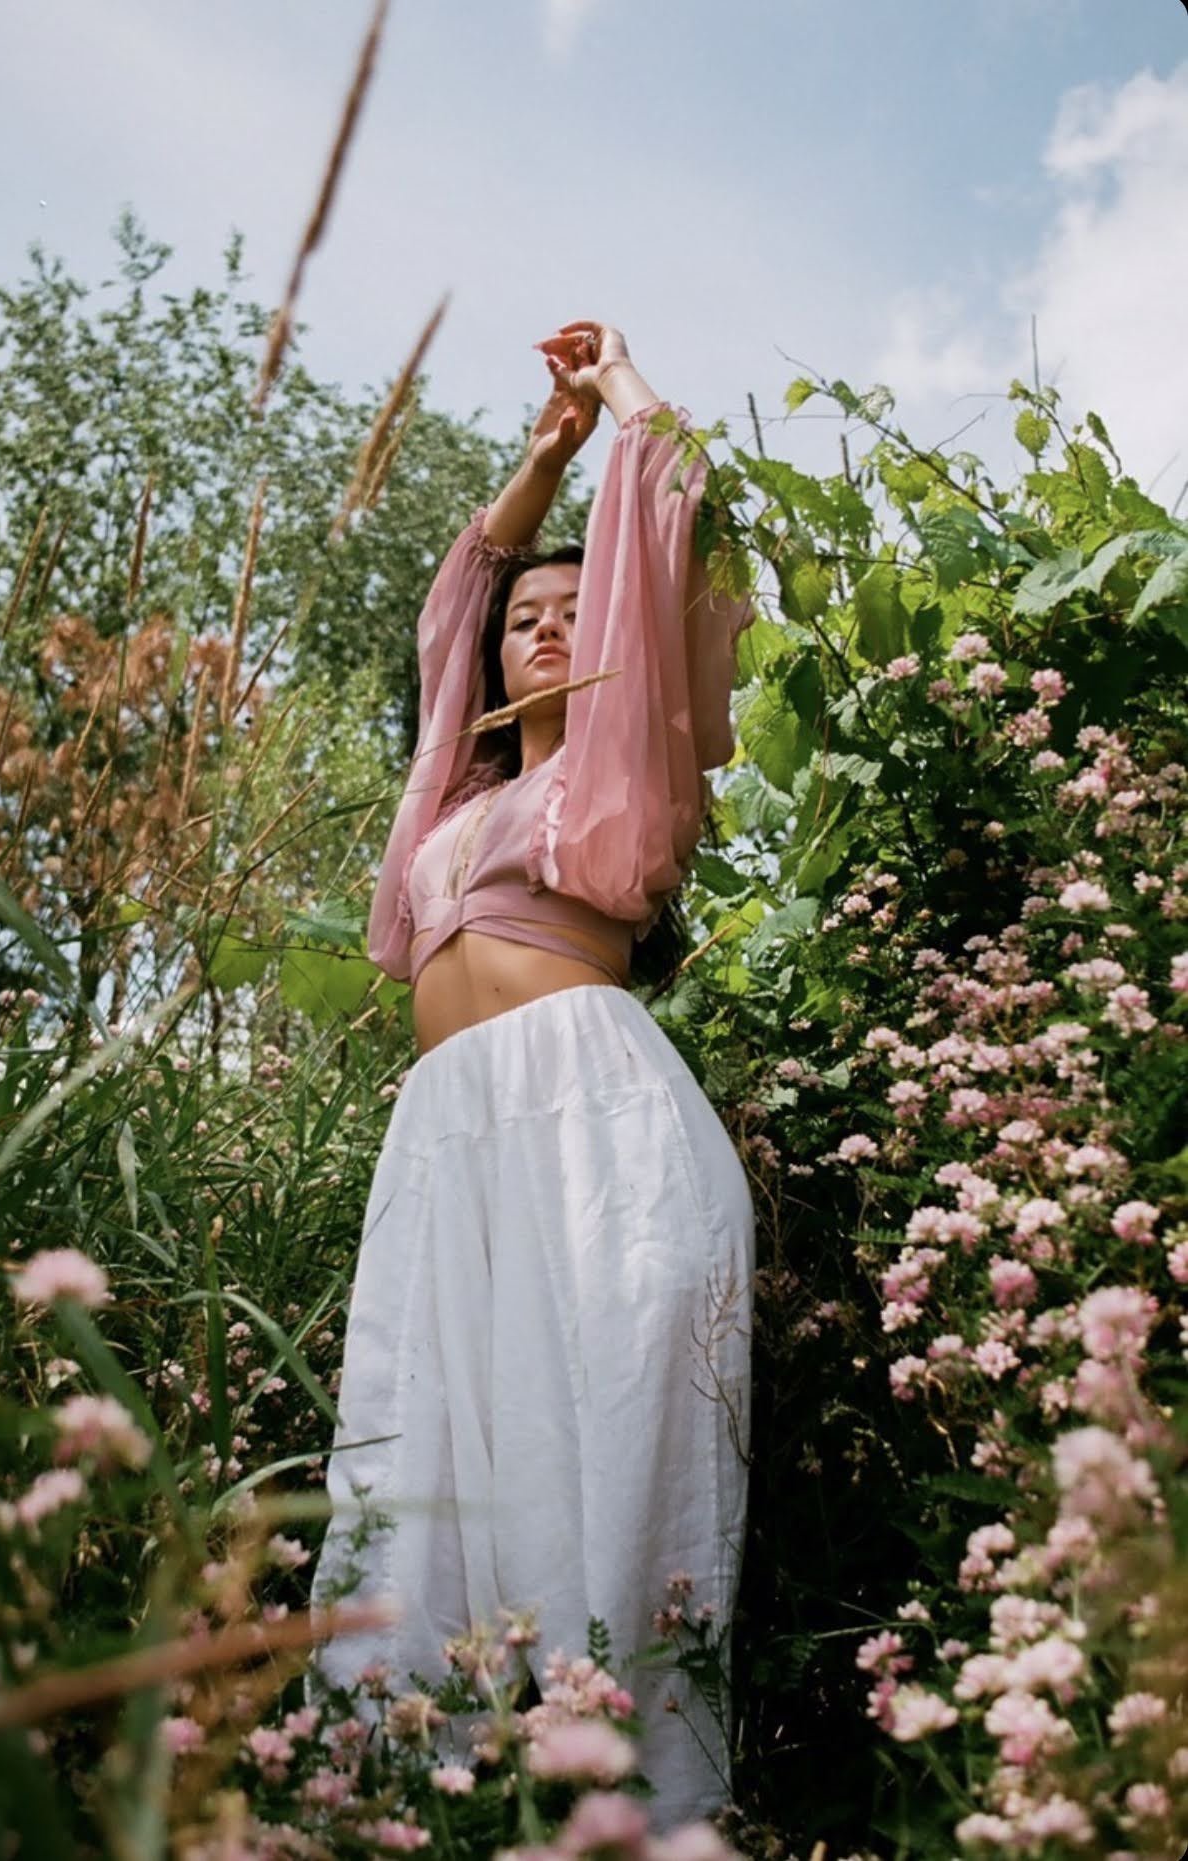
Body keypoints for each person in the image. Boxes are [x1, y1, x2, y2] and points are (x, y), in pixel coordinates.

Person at [309, 321, 757, 1826]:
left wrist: (619, 389)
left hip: (591, 1117)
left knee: (605, 1436)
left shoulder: (623, 766)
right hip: (449, 1135)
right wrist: (547, 449)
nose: (546, 629)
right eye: (528, 621)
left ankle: (629, 1798)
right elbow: (452, 607)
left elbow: (677, 508)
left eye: (576, 609)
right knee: (424, 1448)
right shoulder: (454, 796)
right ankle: (415, 1788)